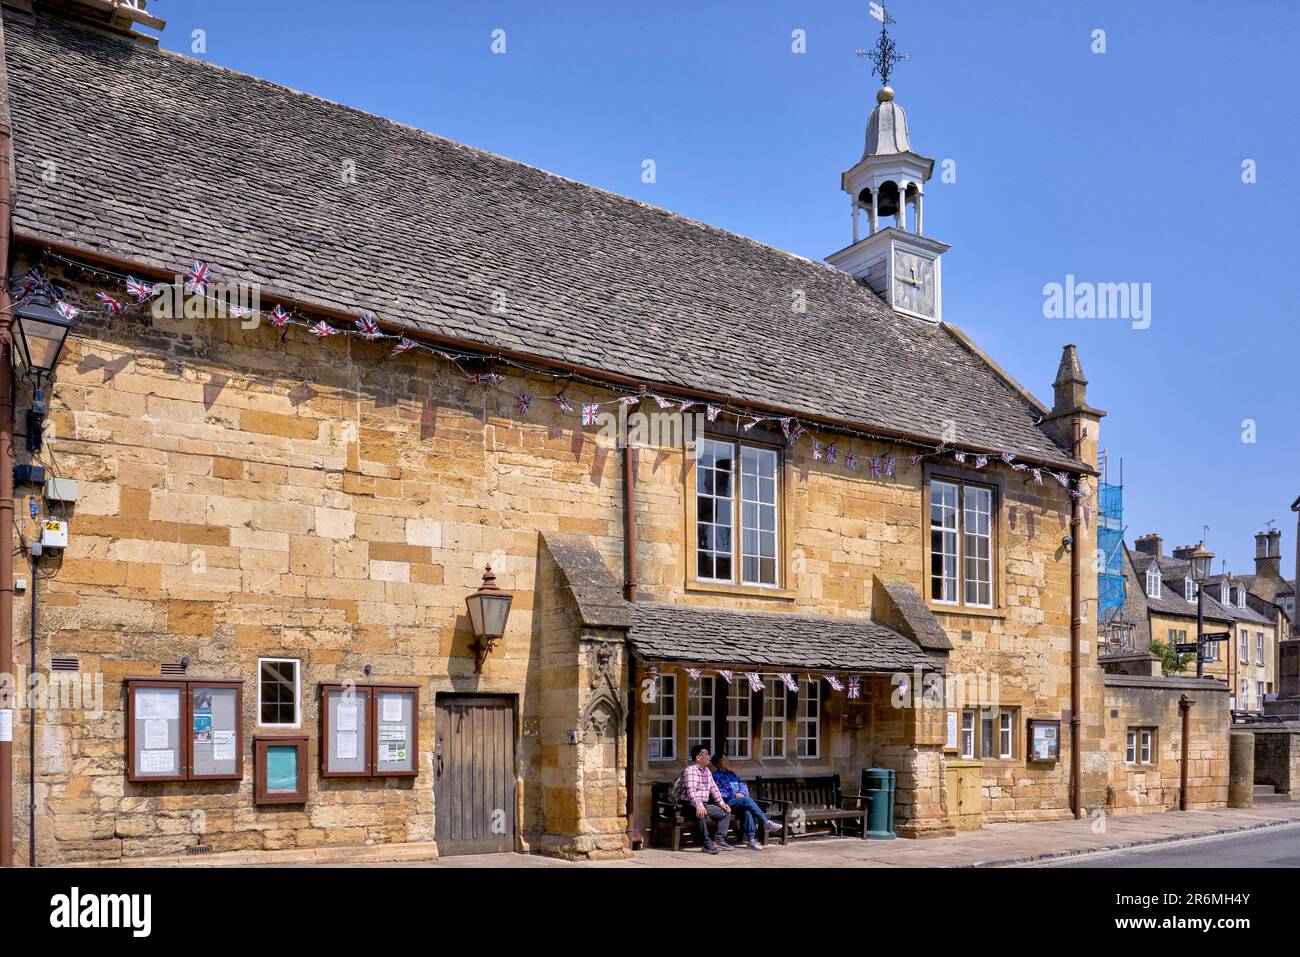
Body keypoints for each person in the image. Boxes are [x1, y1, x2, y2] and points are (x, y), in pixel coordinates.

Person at [712, 752, 782, 850]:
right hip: (725, 804)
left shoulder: (731, 774)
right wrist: (735, 795)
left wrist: (742, 793)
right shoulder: (714, 776)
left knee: (747, 809)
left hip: (739, 803)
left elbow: (743, 785)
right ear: (718, 763)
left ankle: (751, 840)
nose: (728, 761)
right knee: (746, 800)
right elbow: (718, 792)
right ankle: (765, 822)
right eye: (725, 759)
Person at [677, 744, 733, 853]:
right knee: (701, 813)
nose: (709, 757)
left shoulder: (707, 771)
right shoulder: (690, 771)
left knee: (725, 812)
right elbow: (691, 791)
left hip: (704, 804)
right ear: (698, 757)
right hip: (689, 805)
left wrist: (722, 803)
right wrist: (698, 805)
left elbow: (714, 788)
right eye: (707, 754)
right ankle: (706, 843)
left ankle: (719, 839)